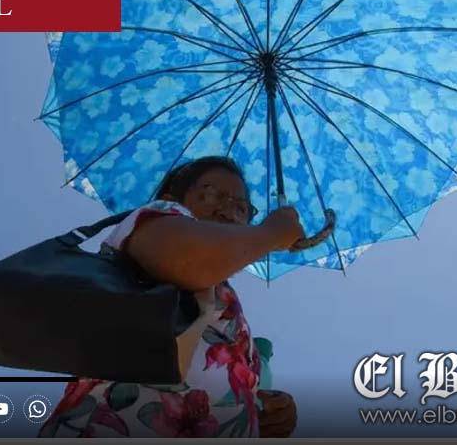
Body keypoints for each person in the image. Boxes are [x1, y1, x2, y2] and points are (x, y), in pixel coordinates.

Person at [38, 155, 305, 438]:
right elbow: (188, 261)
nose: (229, 211)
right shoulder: (152, 221)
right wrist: (271, 232)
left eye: (241, 207)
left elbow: (224, 392)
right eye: (211, 194)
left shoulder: (227, 307)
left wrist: (266, 413)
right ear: (172, 199)